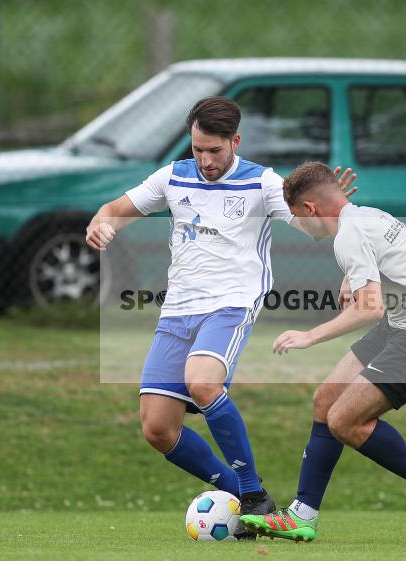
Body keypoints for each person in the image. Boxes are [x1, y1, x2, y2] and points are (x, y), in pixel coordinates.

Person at [85, 98, 356, 520]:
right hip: (177, 310)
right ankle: (251, 501)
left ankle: (249, 490)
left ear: (236, 141)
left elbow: (314, 226)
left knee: (203, 382)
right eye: (198, 150)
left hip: (232, 304)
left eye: (215, 150)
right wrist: (101, 225)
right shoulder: (172, 178)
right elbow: (113, 211)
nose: (206, 160)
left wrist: (336, 219)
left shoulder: (262, 183)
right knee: (158, 429)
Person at [239, 161, 406, 545]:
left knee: (344, 421)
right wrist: (351, 277)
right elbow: (380, 253)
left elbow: (369, 308)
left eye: (298, 217)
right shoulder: (364, 216)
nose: (299, 226)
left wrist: (310, 336)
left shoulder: (348, 235)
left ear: (311, 209)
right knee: (325, 401)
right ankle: (302, 516)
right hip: (404, 322)